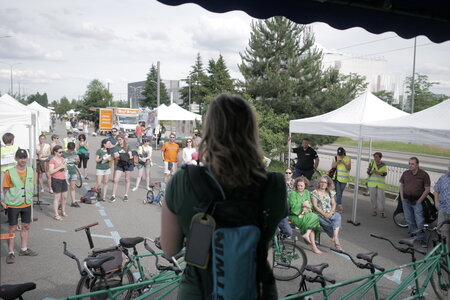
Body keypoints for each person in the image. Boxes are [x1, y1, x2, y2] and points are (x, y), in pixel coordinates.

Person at [160, 94, 287, 299]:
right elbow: (267, 236)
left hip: (198, 291)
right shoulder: (274, 184)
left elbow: (170, 248)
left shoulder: (183, 181)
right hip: (257, 290)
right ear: (251, 130)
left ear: (209, 130)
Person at [1, 149, 38, 264]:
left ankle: (24, 249)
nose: (22, 160)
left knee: (26, 226)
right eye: (20, 158)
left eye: (24, 158)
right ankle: (11, 252)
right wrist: (5, 202)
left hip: (26, 203)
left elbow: (32, 185)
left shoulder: (31, 171)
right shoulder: (9, 172)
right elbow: (5, 189)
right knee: (12, 228)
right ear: (16, 159)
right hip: (13, 204)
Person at [400, 157, 431, 248]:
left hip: (417, 202)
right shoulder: (405, 173)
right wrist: (402, 198)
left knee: (419, 221)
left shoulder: (424, 175)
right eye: (409, 163)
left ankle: (422, 240)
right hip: (406, 201)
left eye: (412, 164)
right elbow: (401, 185)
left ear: (417, 164)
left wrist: (419, 201)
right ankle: (411, 237)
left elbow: (427, 189)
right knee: (409, 221)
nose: (410, 165)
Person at [288, 176, 322, 254]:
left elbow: (310, 205)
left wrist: (307, 205)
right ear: (296, 185)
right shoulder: (292, 193)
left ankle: (308, 237)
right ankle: (314, 247)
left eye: (301, 186)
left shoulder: (307, 192)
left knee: (312, 220)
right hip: (295, 216)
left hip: (306, 214)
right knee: (314, 218)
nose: (299, 187)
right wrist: (303, 204)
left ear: (305, 186)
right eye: (298, 185)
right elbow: (293, 207)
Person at [311, 175, 343, 251]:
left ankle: (335, 237)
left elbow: (334, 204)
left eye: (325, 182)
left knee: (337, 216)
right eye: (321, 182)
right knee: (327, 223)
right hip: (319, 214)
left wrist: (331, 212)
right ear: (318, 183)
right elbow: (315, 206)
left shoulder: (330, 192)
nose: (323, 184)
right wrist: (324, 214)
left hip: (329, 213)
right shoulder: (314, 193)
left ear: (327, 184)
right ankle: (337, 243)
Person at [110, 134, 133, 202]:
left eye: (120, 139)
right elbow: (115, 156)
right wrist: (120, 155)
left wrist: (121, 155)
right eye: (118, 140)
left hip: (127, 163)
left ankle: (126, 195)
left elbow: (130, 155)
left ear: (123, 139)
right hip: (120, 164)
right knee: (115, 179)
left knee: (127, 179)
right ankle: (113, 195)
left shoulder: (128, 146)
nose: (119, 141)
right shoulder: (117, 147)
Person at [49, 145, 68, 221]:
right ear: (55, 152)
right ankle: (56, 214)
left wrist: (65, 166)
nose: (61, 153)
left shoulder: (63, 159)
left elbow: (65, 169)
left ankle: (63, 211)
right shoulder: (52, 160)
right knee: (57, 197)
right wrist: (60, 167)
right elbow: (51, 171)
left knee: (64, 197)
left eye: (62, 152)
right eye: (60, 152)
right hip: (56, 179)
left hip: (63, 179)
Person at [367, 152, 388, 217]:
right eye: (374, 157)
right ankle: (374, 211)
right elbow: (368, 172)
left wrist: (377, 172)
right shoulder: (371, 163)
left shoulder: (383, 165)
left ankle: (382, 212)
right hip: (372, 184)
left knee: (381, 199)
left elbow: (384, 174)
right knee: (373, 198)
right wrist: (371, 172)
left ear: (380, 157)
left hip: (380, 185)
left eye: (376, 157)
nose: (375, 158)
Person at [331, 147, 351, 213]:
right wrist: (337, 162)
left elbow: (349, 168)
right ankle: (340, 207)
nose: (340, 156)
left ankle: (336, 205)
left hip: (344, 179)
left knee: (340, 193)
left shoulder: (348, 158)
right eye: (339, 154)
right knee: (338, 193)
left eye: (341, 155)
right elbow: (332, 166)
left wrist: (344, 163)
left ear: (344, 153)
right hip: (336, 178)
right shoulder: (335, 158)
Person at [434, 168, 450, 247]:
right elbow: (436, 191)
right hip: (443, 210)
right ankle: (446, 252)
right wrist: (436, 203)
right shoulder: (443, 178)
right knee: (443, 232)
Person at [277, 168, 294, 237]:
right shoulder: (281, 182)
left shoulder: (294, 182)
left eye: (289, 173)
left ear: (292, 174)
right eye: (286, 173)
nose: (288, 174)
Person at [63, 142, 80, 207]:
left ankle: (73, 201)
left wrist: (77, 161)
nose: (71, 151)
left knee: (72, 187)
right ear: (68, 148)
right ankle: (61, 202)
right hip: (66, 172)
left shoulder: (75, 153)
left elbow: (78, 162)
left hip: (73, 171)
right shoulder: (63, 154)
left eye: (72, 150)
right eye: (70, 150)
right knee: (64, 189)